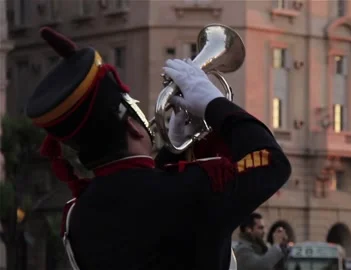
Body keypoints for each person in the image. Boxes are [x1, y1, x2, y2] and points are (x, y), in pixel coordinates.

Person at [25, 27, 291, 270]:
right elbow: (272, 162)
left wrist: (175, 150)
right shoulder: (190, 189)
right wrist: (213, 103)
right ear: (133, 125)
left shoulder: (78, 217)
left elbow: (144, 200)